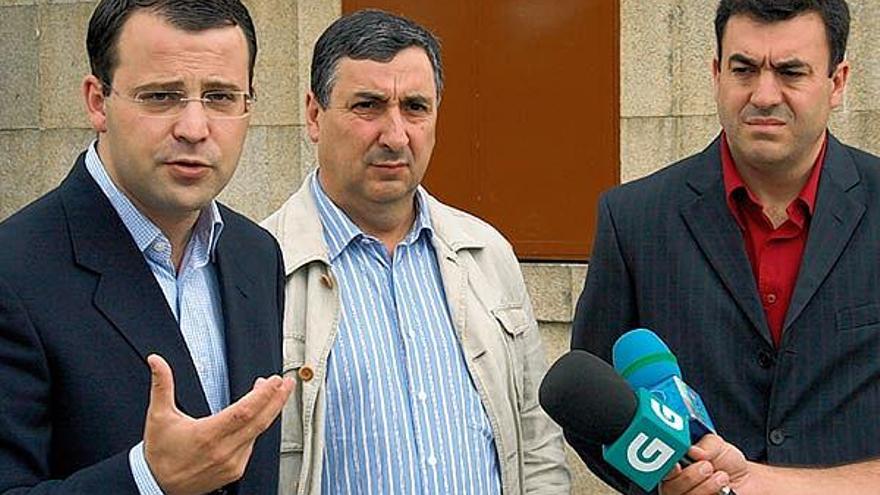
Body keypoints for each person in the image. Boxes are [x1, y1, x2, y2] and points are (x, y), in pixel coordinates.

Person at [569, 0, 880, 493]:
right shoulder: (633, 220)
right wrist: (659, 482)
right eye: (744, 69)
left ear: (837, 82)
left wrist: (767, 481)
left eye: (791, 71)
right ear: (716, 73)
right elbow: (592, 410)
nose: (764, 94)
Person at [262, 9, 569, 495]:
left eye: (415, 107)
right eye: (368, 105)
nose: (395, 135)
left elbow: (535, 442)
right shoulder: (260, 267)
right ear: (314, 115)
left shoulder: (486, 254)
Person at [0, 1, 293, 493]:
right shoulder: (14, 272)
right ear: (97, 101)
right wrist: (148, 479)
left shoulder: (257, 254)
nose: (195, 129)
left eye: (220, 96)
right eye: (161, 96)